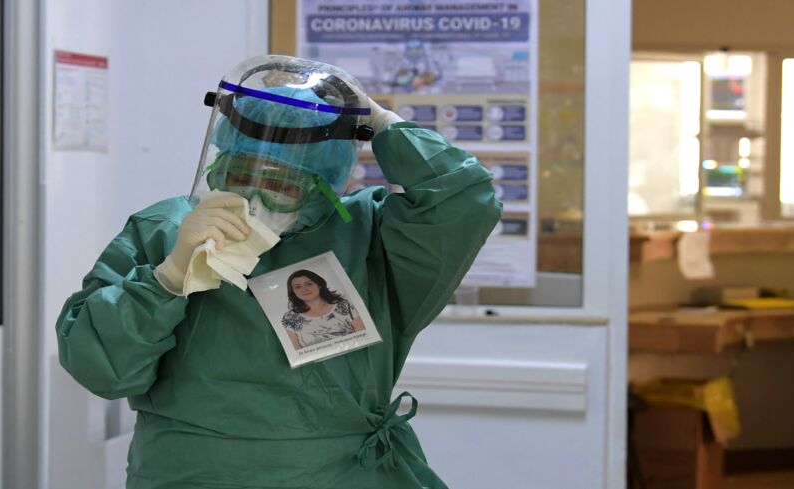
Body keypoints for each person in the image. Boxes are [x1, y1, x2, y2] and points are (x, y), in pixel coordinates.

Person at [56, 55, 502, 489]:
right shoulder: (165, 231)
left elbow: (464, 200)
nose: (255, 198)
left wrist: (385, 125)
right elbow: (101, 369)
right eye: (240, 172)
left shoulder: (370, 238)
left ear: (323, 187)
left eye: (283, 186)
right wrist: (167, 279)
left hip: (339, 473)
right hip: (192, 474)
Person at [282, 269, 366, 350]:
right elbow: (296, 350)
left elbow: (364, 335)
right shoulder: (289, 318)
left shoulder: (344, 305)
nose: (304, 289)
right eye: (298, 287)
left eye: (309, 284)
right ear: (293, 292)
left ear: (319, 285)